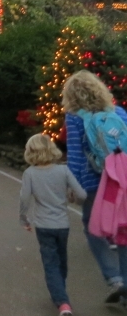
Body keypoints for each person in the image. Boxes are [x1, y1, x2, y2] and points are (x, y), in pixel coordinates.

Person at [63, 70, 127, 303]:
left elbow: (76, 156)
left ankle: (114, 278)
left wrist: (73, 186)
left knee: (93, 228)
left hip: (93, 182)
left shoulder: (74, 117)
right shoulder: (119, 112)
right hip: (120, 180)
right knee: (123, 230)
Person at [19, 133, 87, 316]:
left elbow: (24, 199)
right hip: (62, 224)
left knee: (50, 263)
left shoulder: (30, 174)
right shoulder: (63, 171)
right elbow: (81, 194)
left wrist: (24, 218)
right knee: (62, 260)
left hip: (43, 225)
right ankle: (60, 291)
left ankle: (62, 301)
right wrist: (72, 198)